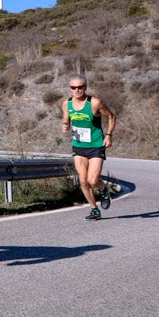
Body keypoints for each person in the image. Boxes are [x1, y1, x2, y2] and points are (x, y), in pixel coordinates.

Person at [61, 74, 117, 221]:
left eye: (80, 87)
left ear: (85, 87)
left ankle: (104, 190)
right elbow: (66, 118)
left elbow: (111, 117)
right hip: (79, 146)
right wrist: (65, 125)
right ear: (70, 89)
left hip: (96, 146)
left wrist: (109, 135)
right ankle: (94, 209)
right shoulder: (66, 104)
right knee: (83, 181)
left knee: (93, 180)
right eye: (74, 87)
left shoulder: (94, 103)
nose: (77, 90)